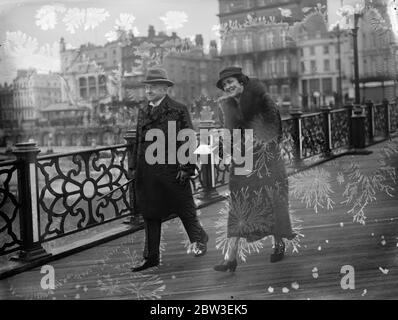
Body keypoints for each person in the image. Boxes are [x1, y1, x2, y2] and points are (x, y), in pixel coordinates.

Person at [213, 67, 295, 272]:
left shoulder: (262, 98)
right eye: (224, 85)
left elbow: (274, 128)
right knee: (238, 207)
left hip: (267, 162)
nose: (228, 86)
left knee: (273, 201)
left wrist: (257, 144)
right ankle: (230, 257)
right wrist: (224, 150)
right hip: (243, 162)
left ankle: (278, 243)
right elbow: (227, 133)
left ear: (241, 81)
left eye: (230, 82)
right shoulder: (227, 106)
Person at [130, 67, 209, 272]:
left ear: (165, 88)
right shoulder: (143, 110)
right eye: (147, 87)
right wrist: (134, 168)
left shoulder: (178, 109)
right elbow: (139, 141)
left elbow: (189, 139)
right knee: (150, 213)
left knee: (185, 209)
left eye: (153, 86)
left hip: (173, 169)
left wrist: (187, 167)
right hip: (147, 171)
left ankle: (199, 239)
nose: (148, 90)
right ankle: (151, 257)